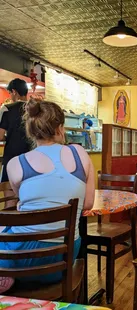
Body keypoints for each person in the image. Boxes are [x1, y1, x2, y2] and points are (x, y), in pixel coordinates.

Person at [0, 99, 95, 293]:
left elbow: (22, 203)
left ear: (30, 130)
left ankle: (6, 274)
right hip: (65, 258)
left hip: (21, 262)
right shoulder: (80, 153)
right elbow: (88, 203)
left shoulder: (15, 164)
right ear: (60, 128)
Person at [0, 79, 32, 183]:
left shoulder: (7, 109)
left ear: (14, 92)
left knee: (9, 188)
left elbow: (0, 136)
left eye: (9, 93)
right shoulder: (35, 109)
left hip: (12, 155)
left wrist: (7, 136)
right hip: (32, 155)